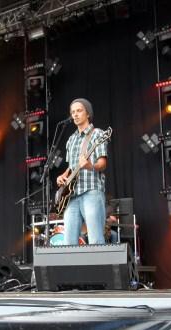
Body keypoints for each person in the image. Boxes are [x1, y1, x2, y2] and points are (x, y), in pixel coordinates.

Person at [56, 98, 108, 245]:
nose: (75, 114)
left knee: (95, 240)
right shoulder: (71, 139)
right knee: (69, 243)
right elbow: (72, 166)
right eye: (73, 112)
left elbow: (103, 164)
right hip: (71, 196)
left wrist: (90, 166)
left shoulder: (97, 134)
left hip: (91, 191)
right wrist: (63, 176)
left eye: (79, 110)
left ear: (88, 113)